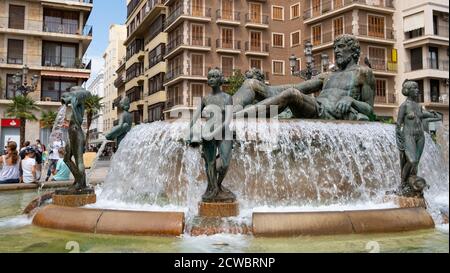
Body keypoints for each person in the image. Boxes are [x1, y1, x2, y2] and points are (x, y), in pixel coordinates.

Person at [234, 34, 375, 121]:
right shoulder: (327, 75)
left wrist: (351, 100)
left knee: (292, 95)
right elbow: (298, 88)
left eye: (341, 47)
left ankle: (236, 119)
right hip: (316, 108)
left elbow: (369, 109)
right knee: (251, 82)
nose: (336, 51)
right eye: (335, 48)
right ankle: (227, 114)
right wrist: (264, 88)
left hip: (328, 114)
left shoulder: (363, 73)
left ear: (353, 51)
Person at [188, 68, 235, 202]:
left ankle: (218, 185)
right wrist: (188, 130)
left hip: (224, 132)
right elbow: (195, 117)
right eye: (210, 77)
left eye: (215, 76)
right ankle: (213, 189)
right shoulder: (205, 99)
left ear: (220, 79)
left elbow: (227, 120)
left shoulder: (228, 98)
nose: (212, 79)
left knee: (225, 163)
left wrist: (216, 132)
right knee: (210, 162)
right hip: (208, 132)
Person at [395, 80, 442, 197]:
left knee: (416, 163)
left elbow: (423, 115)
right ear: (408, 91)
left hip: (420, 136)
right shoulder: (404, 106)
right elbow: (398, 124)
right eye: (414, 88)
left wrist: (432, 114)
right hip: (408, 135)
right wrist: (399, 139)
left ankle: (412, 180)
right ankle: (403, 183)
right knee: (412, 160)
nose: (417, 90)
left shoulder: (418, 106)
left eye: (417, 88)